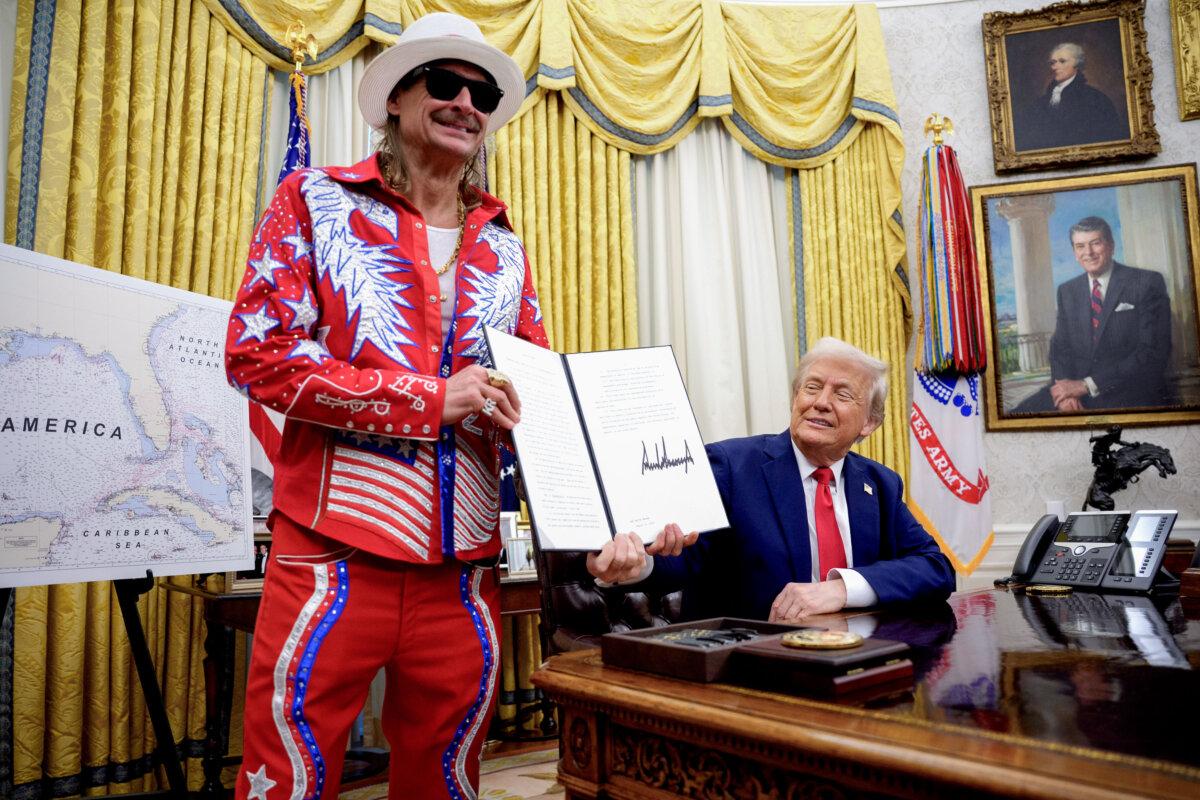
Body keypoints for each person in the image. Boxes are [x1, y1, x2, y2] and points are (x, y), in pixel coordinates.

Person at [224, 13, 547, 799]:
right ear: (395, 99)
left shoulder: (506, 247)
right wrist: (430, 398)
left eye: (484, 91)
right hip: (332, 556)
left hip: (464, 568)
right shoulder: (315, 200)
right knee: (289, 779)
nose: (467, 101)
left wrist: (602, 507)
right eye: (445, 82)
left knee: (448, 779)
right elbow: (257, 353)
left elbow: (534, 387)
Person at [588, 337, 955, 622]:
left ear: (870, 422)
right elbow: (686, 555)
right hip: (751, 672)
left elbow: (936, 568)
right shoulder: (732, 466)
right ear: (796, 398)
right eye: (811, 388)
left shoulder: (879, 484)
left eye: (841, 394)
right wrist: (635, 564)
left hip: (855, 664)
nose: (821, 402)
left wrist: (840, 589)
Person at [1013, 216, 1171, 414]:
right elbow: (1059, 348)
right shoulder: (1067, 290)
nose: (1088, 253)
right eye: (1080, 246)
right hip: (1075, 393)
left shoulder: (1146, 282)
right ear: (1074, 253)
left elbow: (1152, 352)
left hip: (1127, 391)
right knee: (1017, 416)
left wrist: (1086, 385)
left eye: (1095, 243)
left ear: (1111, 246)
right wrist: (1065, 393)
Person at [1015, 42, 1128, 151]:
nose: (1055, 67)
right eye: (1053, 62)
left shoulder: (1096, 99)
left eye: (1062, 61)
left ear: (1077, 64)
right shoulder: (1041, 103)